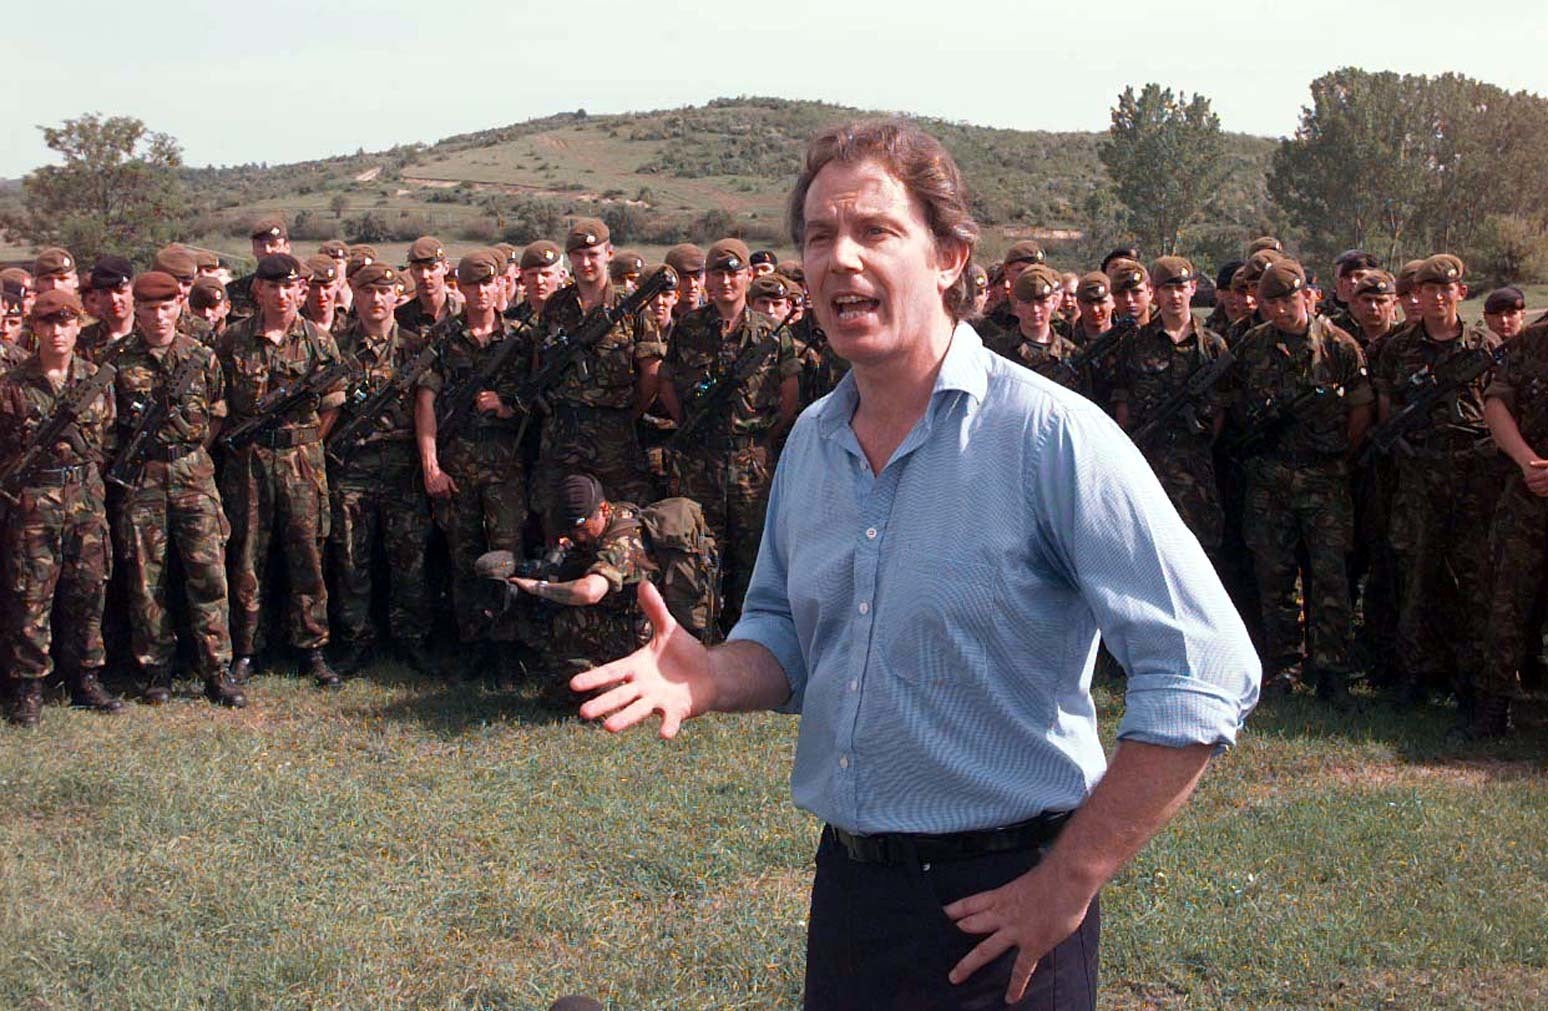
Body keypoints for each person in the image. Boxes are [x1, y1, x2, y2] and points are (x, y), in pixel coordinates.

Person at [573, 119, 1259, 1010]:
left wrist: (1069, 879)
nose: (839, 258)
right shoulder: (813, 446)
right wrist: (712, 672)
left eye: (875, 231)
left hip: (1004, 902)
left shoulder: (1048, 436)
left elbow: (1206, 669)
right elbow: (786, 637)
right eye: (819, 236)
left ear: (949, 256)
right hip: (855, 894)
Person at [1230, 259, 1372, 700]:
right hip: (1269, 478)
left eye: (1290, 299)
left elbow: (1361, 410)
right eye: (1273, 302)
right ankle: (1284, 667)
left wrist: (1337, 455)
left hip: (1324, 478)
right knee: (1275, 576)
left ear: (1307, 296)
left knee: (1330, 576)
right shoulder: (1252, 345)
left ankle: (1332, 670)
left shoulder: (1339, 346)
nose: (1283, 309)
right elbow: (1236, 405)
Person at [108, 271, 245, 708]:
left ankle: (216, 670)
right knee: (149, 579)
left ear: (178, 308)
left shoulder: (200, 357)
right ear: (138, 309)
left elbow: (218, 413)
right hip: (143, 480)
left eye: (167, 308)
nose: (159, 316)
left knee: (209, 574)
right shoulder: (117, 361)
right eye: (149, 309)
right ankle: (156, 671)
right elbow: (109, 428)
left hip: (194, 476)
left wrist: (190, 455)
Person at [218, 253, 347, 688]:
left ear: (301, 289)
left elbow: (331, 408)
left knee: (307, 554)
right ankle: (247, 650)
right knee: (247, 555)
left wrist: (303, 443)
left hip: (302, 463)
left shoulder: (318, 341)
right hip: (250, 463)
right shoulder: (232, 340)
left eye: (289, 286)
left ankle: (312, 647)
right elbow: (221, 406)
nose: (281, 294)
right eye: (272, 286)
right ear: (258, 289)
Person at [1, 290, 124, 726]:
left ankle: (86, 678)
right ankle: (28, 686)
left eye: (66, 323)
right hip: (34, 503)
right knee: (30, 594)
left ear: (78, 327)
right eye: (48, 323)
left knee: (89, 589)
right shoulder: (12, 386)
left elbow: (107, 441)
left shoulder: (96, 380)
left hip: (85, 500)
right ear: (35, 329)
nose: (57, 332)